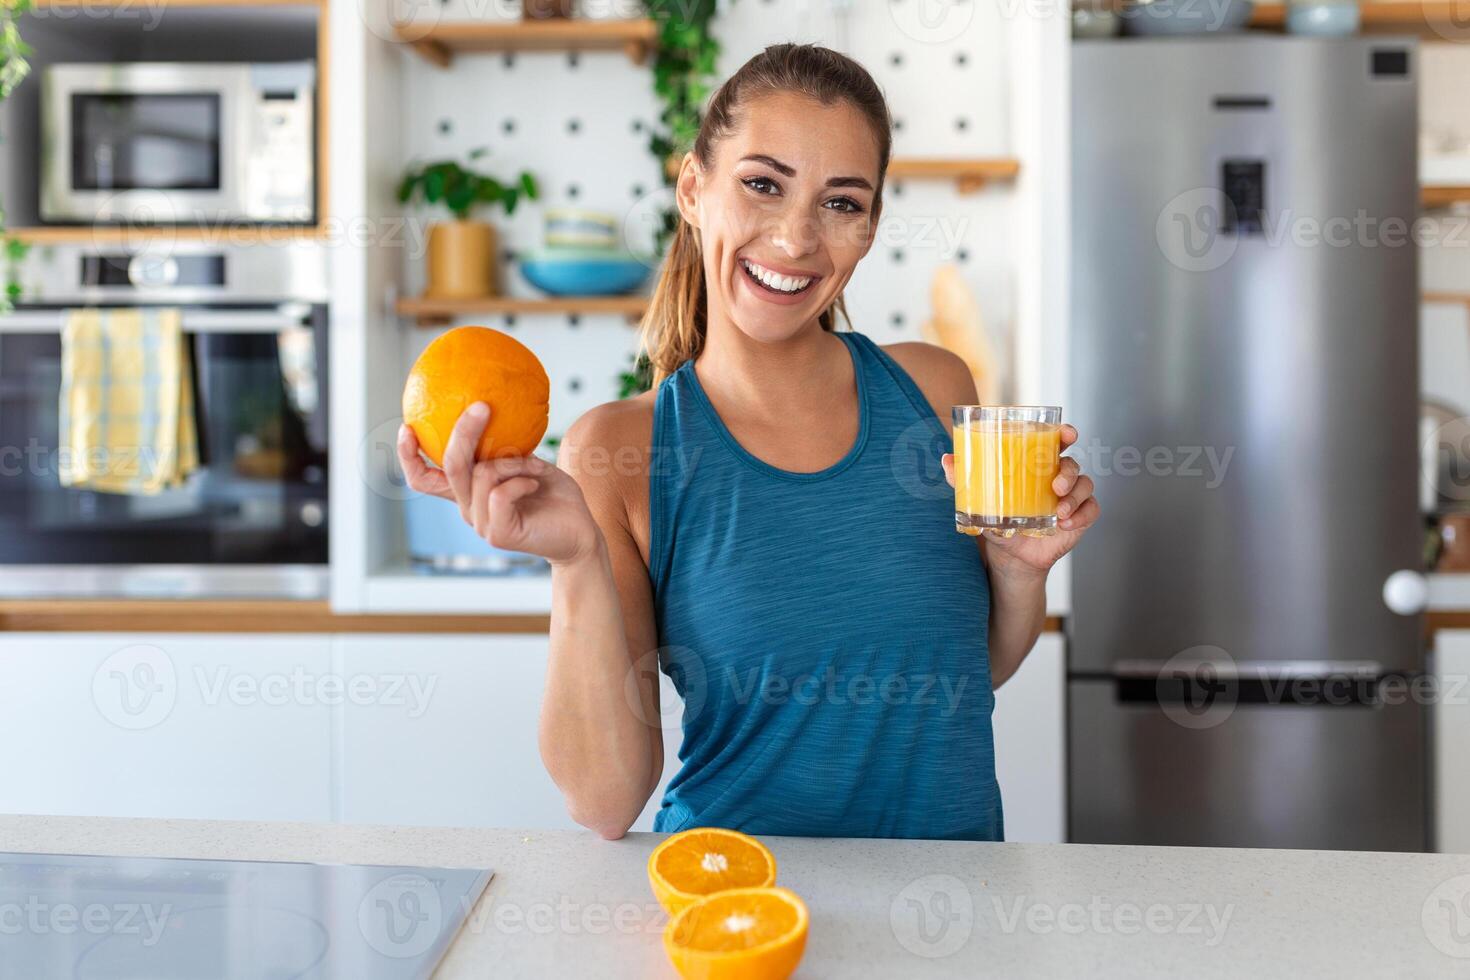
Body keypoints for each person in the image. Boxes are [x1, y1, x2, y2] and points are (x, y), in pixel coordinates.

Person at [397, 43, 1098, 841]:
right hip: (733, 912)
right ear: (693, 188)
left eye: (842, 203)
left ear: (869, 229)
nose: (796, 239)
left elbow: (968, 675)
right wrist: (576, 560)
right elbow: (604, 801)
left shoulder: (936, 391)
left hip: (947, 920)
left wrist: (1014, 576)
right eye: (762, 185)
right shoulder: (621, 449)